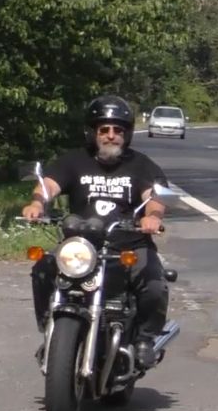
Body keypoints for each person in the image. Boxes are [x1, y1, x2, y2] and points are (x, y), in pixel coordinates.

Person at [21, 95, 170, 370]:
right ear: (93, 132)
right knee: (43, 269)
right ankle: (50, 331)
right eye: (104, 129)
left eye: (118, 130)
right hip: (81, 246)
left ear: (126, 134)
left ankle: (145, 339)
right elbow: (49, 185)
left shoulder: (141, 164)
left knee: (154, 284)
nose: (111, 136)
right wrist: (37, 203)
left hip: (128, 245)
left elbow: (155, 196)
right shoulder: (74, 161)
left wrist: (152, 217)